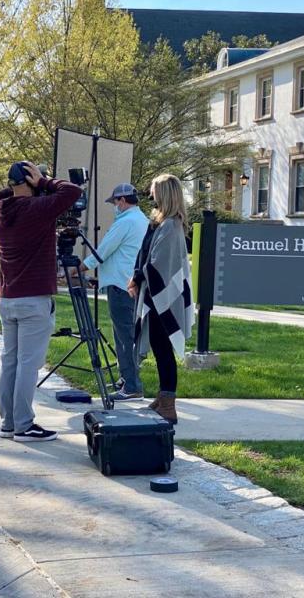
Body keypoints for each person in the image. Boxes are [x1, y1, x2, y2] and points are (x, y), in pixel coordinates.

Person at [0, 162, 82, 442]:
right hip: (33, 300)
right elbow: (72, 191)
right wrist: (44, 181)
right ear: (30, 182)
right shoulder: (37, 210)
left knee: (10, 362)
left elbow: (0, 194)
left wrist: (25, 182)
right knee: (28, 365)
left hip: (7, 299)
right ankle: (23, 425)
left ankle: (8, 423)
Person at [127, 173, 194, 425]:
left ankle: (169, 403)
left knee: (163, 348)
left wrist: (138, 278)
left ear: (164, 193)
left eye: (154, 190)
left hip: (162, 297)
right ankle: (163, 396)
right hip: (156, 294)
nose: (151, 195)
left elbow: (159, 264)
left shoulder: (170, 225)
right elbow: (148, 254)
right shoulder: (164, 222)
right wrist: (138, 275)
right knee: (159, 346)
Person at [78, 183, 148, 401]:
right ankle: (127, 378)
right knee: (128, 334)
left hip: (120, 285)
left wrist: (79, 267)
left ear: (122, 201)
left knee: (123, 336)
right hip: (132, 283)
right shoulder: (143, 220)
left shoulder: (125, 222)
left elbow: (103, 251)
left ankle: (132, 386)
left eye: (115, 202)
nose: (114, 206)